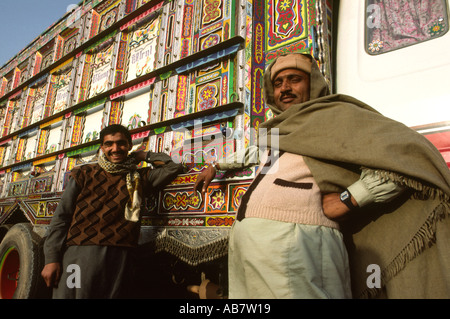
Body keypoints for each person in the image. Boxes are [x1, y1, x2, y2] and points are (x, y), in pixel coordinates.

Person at [194, 53, 450, 299]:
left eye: (294, 79)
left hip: (297, 245)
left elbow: (406, 155)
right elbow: (253, 153)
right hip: (251, 244)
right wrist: (216, 165)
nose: (285, 88)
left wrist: (350, 199)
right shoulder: (280, 130)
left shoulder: (335, 115)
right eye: (278, 83)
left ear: (313, 83)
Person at [41, 124, 183, 298]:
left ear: (130, 146)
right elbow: (61, 217)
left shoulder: (140, 177)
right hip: (80, 255)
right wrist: (51, 259)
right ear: (102, 148)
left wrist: (144, 155)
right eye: (109, 144)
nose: (115, 149)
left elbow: (174, 166)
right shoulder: (84, 174)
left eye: (121, 143)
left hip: (120, 257)